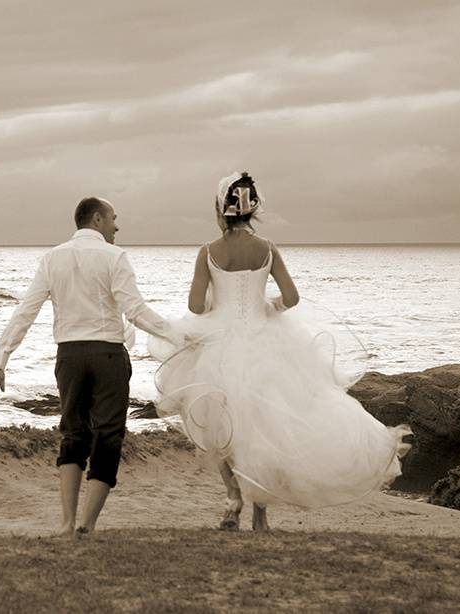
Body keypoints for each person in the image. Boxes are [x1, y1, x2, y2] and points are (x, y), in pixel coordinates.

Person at [149, 172, 411, 531]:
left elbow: (195, 307)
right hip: (265, 343)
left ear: (220, 209)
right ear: (252, 208)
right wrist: (266, 305)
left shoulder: (208, 252)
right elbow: (291, 298)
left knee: (218, 426)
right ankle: (260, 513)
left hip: (220, 347)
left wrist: (217, 303)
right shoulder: (267, 249)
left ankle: (232, 500)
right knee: (264, 429)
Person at [0, 197, 182, 537]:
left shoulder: (52, 258)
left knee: (73, 432)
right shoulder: (114, 256)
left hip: (70, 357)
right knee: (108, 434)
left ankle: (65, 522)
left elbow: (26, 311)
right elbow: (135, 311)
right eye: (113, 219)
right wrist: (178, 337)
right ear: (96, 219)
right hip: (108, 354)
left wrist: (0, 359)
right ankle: (87, 524)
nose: (117, 226)